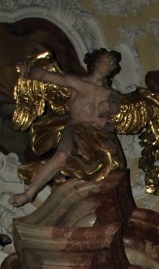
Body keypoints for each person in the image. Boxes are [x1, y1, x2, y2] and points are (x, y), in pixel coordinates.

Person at [9, 48, 124, 207]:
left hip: (99, 136)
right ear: (96, 62)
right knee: (62, 154)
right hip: (76, 129)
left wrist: (108, 108)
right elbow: (46, 76)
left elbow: (115, 106)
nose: (109, 64)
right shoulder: (78, 83)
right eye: (107, 60)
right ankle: (29, 193)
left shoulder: (111, 94)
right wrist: (29, 72)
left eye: (112, 63)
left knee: (112, 169)